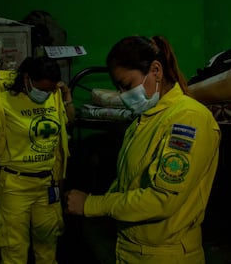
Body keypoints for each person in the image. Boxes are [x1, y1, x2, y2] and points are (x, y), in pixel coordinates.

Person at [65, 35, 221, 263]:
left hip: (165, 255)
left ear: (156, 70)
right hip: (133, 249)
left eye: (127, 85)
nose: (123, 95)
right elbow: (127, 182)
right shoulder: (144, 120)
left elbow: (161, 200)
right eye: (118, 88)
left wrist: (91, 204)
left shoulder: (188, 118)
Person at [0, 56, 74, 264]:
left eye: (50, 90)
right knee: (14, 249)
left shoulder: (53, 95)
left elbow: (68, 121)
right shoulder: (3, 101)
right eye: (42, 89)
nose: (46, 94)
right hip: (15, 186)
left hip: (46, 185)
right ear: (27, 79)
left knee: (48, 247)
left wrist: (66, 94)